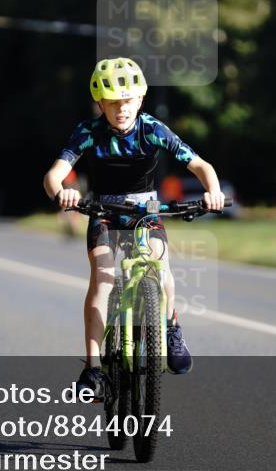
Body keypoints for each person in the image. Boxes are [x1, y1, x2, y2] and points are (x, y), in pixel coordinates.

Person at [42, 57, 226, 400]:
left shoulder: (153, 129)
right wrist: (62, 192)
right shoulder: (88, 132)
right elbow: (53, 175)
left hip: (147, 212)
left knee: (162, 268)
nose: (121, 109)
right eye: (112, 103)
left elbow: (201, 165)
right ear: (101, 104)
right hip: (104, 212)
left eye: (127, 101)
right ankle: (93, 370)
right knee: (103, 279)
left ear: (140, 99)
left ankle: (171, 329)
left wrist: (212, 191)